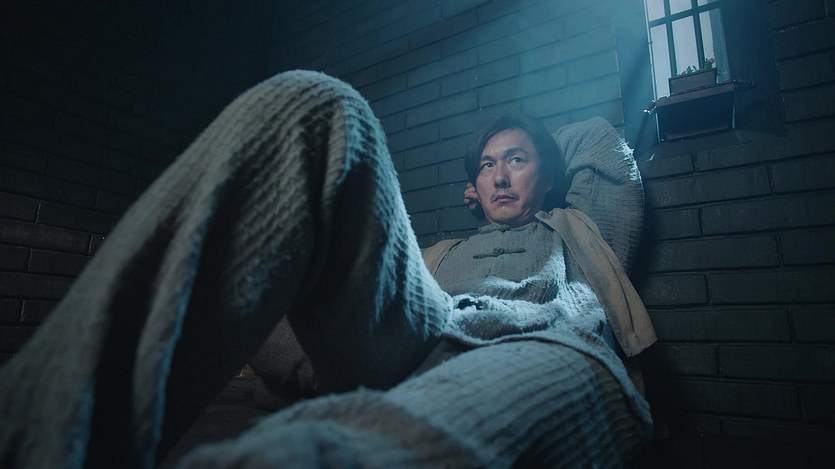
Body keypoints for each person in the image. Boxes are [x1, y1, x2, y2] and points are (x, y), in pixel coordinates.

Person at [0, 70, 655, 468]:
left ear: (550, 176)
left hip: (528, 345)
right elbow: (392, 309)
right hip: (424, 333)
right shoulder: (444, 252)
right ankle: (31, 439)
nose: (500, 174)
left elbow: (600, 142)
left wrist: (538, 155)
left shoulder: (578, 225)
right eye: (486, 165)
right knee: (317, 105)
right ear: (472, 190)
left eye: (517, 160)